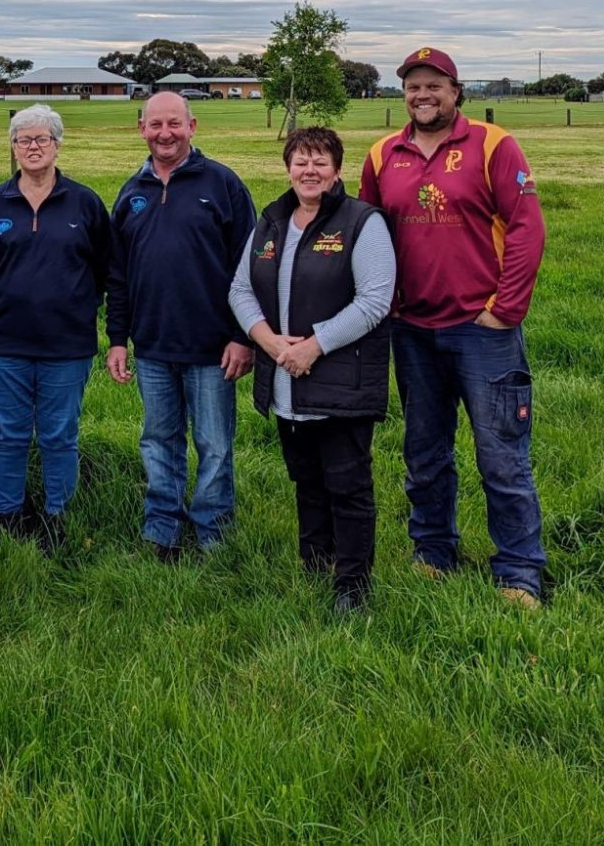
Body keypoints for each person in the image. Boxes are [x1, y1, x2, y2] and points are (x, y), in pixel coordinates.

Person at [360, 46, 549, 611]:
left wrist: (504, 309)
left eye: (434, 86)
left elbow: (526, 229)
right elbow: (368, 236)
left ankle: (519, 571)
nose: (423, 96)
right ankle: (433, 553)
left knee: (501, 454)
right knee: (424, 451)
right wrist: (382, 304)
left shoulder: (493, 145)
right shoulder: (380, 155)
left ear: (456, 91)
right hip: (412, 329)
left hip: (481, 330)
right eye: (413, 87)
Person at [230, 127, 394, 613]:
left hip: (340, 379)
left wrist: (315, 346)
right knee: (306, 478)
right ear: (287, 168)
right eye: (300, 161)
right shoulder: (272, 221)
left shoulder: (362, 222)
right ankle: (315, 563)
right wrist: (269, 342)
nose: (309, 170)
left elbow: (375, 301)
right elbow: (240, 289)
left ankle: (352, 585)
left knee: (348, 484)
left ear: (337, 170)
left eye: (320, 162)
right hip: (285, 378)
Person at [106, 91, 257, 559]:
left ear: (193, 126)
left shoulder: (223, 184)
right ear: (141, 129)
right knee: (158, 440)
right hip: (151, 345)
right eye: (155, 125)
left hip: (213, 347)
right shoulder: (132, 193)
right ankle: (162, 529)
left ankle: (212, 530)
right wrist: (117, 339)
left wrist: (240, 336)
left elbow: (247, 268)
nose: (164, 133)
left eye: (174, 123)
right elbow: (119, 274)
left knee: (214, 444)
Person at [0, 104, 113, 554]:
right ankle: (6, 515)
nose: (32, 147)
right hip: (3, 343)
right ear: (12, 147)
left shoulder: (84, 203)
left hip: (66, 345)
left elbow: (103, 270)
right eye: (23, 140)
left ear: (57, 144)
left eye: (41, 139)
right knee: (7, 434)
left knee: (59, 435)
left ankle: (56, 517)